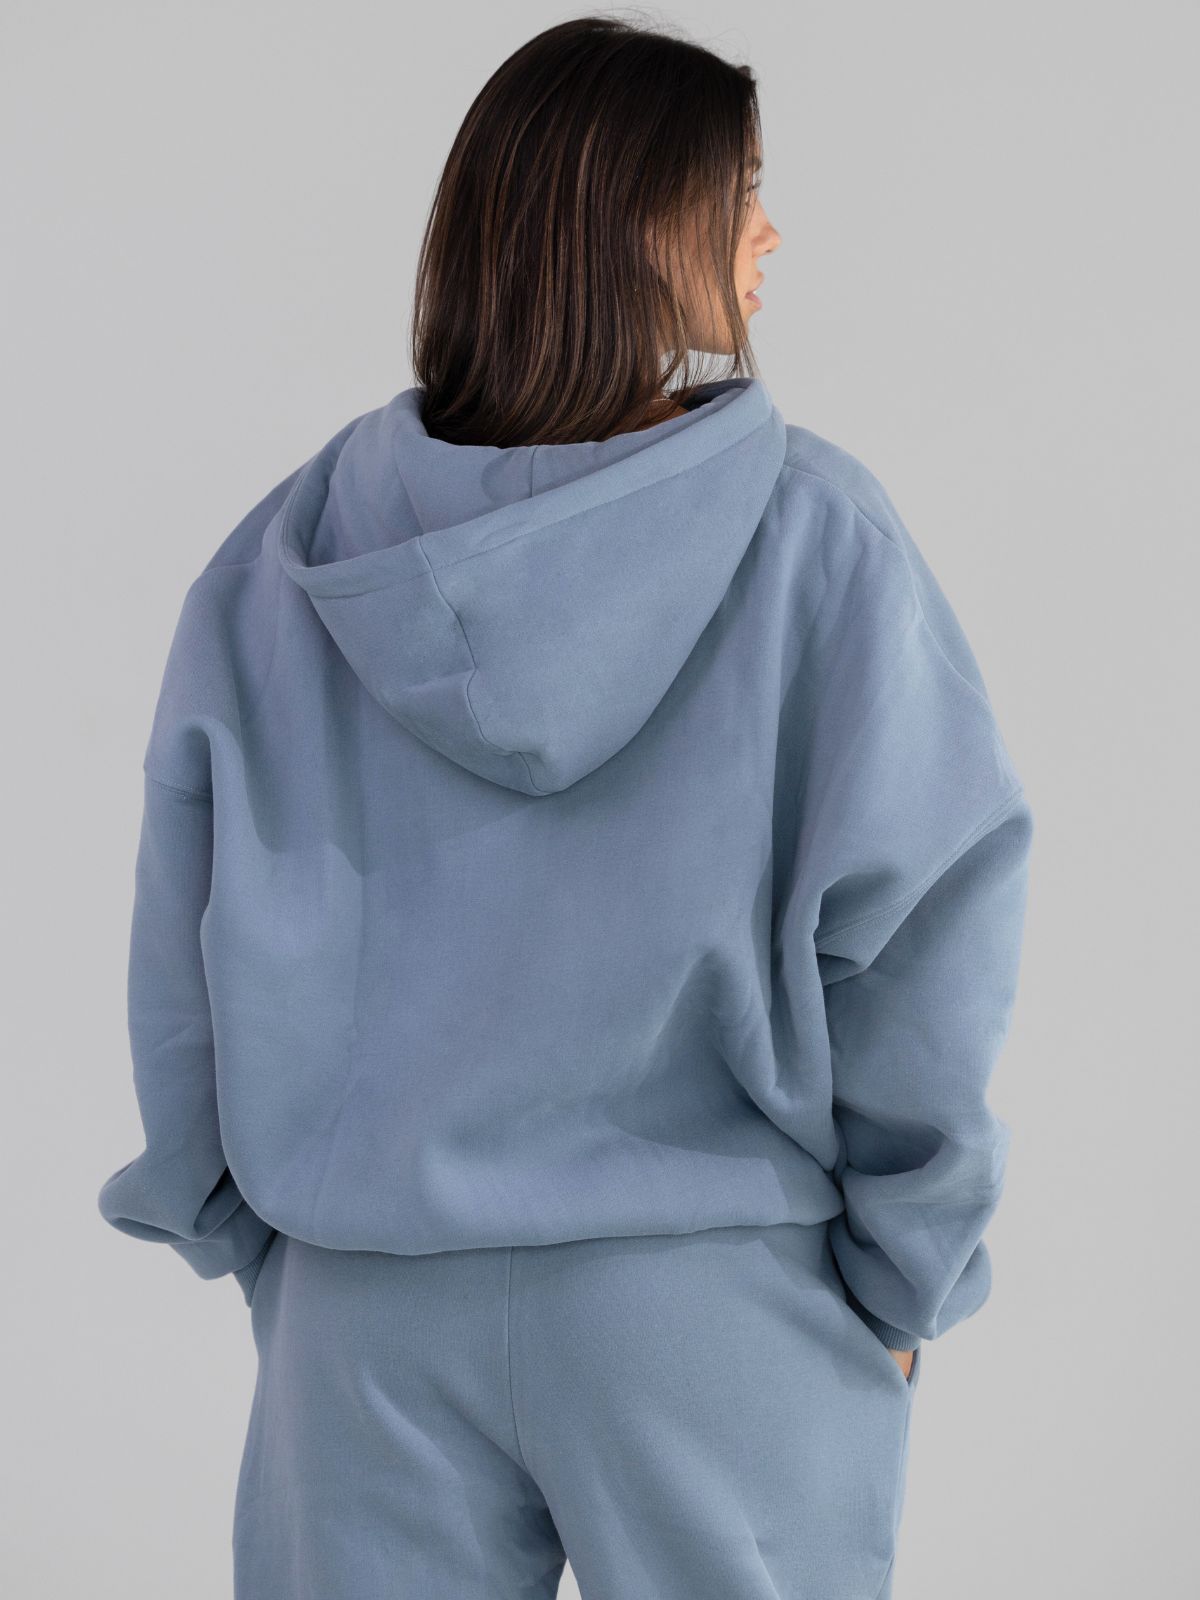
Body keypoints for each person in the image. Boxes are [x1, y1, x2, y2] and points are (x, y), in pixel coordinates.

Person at [96, 15, 1033, 1599]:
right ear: (647, 226)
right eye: (743, 189)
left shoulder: (288, 560)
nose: (770, 235)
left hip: (363, 1314)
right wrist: (907, 1270)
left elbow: (183, 943)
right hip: (712, 1309)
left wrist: (259, 1237)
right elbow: (927, 932)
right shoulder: (815, 534)